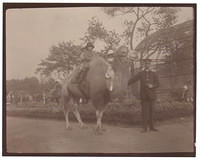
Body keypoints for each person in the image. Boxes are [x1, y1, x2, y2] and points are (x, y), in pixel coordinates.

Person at [128, 58, 159, 133]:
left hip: (152, 96)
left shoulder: (154, 73)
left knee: (152, 112)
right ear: (144, 65)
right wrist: (125, 83)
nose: (147, 65)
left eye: (148, 63)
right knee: (144, 112)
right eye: (146, 64)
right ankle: (144, 128)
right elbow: (133, 80)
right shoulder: (141, 73)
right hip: (144, 96)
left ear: (150, 64)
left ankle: (152, 127)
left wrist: (153, 85)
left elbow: (158, 84)